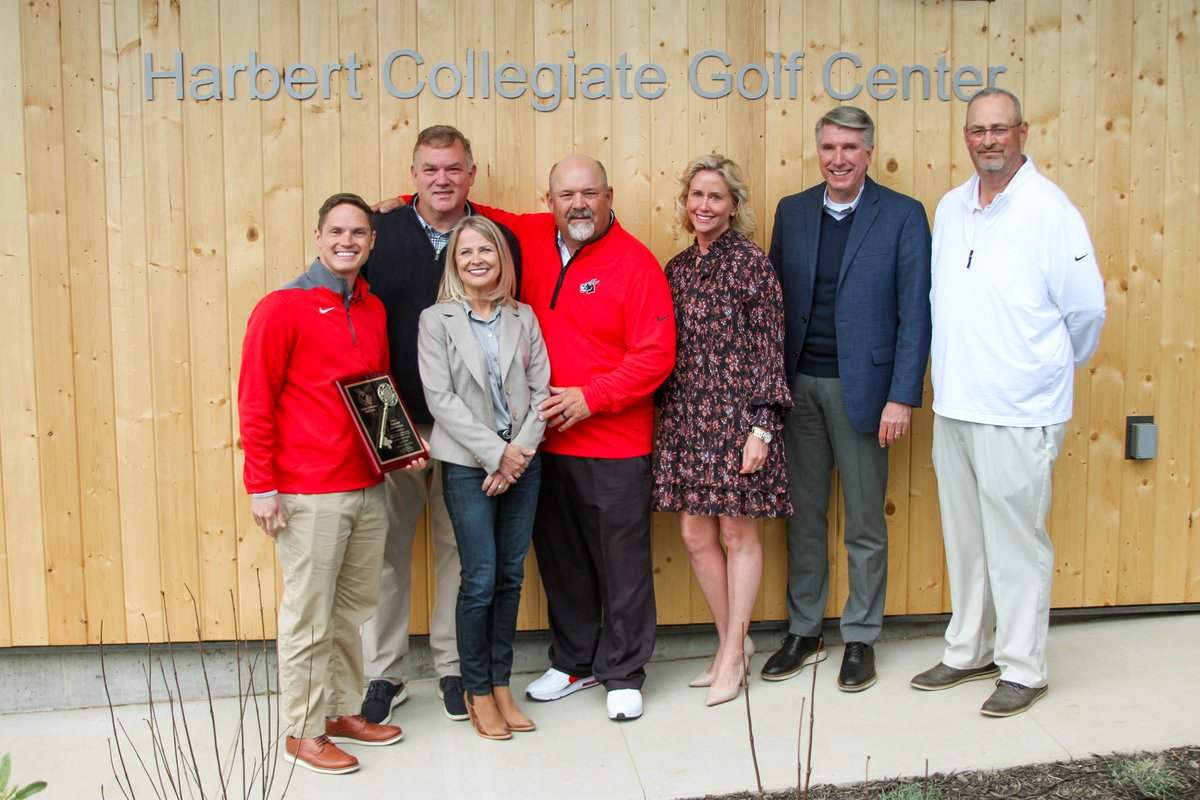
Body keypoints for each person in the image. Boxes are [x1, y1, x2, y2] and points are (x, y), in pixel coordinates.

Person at [455, 156, 676, 722]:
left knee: (620, 565)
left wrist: (591, 396)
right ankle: (575, 660)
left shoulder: (635, 264)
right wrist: (394, 206)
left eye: (589, 193)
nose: (578, 204)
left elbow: (656, 356)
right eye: (566, 194)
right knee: (563, 562)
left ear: (608, 196)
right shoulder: (527, 235)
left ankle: (624, 672)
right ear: (548, 199)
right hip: (544, 444)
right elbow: (467, 208)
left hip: (614, 444)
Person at [911, 88, 1105, 717]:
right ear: (965, 136)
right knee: (966, 539)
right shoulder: (952, 207)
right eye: (977, 130)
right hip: (956, 406)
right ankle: (970, 649)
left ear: (1022, 132)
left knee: (1017, 543)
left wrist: (1039, 369)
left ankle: (1024, 667)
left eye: (999, 128)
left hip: (1020, 410)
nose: (988, 139)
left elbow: (1086, 311)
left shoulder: (1051, 212)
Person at [237, 193, 408, 774]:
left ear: (371, 242)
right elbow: (256, 403)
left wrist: (397, 450)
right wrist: (262, 484)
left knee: (351, 607)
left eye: (359, 232)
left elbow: (374, 389)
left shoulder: (372, 309)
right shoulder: (281, 307)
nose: (348, 241)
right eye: (337, 231)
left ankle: (338, 711)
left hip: (366, 484)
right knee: (309, 614)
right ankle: (302, 731)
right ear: (318, 237)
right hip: (308, 490)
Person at [763, 106, 932, 692]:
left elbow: (916, 314)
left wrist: (901, 396)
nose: (839, 158)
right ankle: (805, 631)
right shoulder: (794, 211)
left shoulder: (904, 216)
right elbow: (775, 307)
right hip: (798, 388)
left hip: (866, 393)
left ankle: (860, 636)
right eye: (830, 147)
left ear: (867, 153)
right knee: (803, 517)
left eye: (850, 149)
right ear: (820, 151)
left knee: (864, 521)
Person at [359, 125, 521, 726]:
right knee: (386, 553)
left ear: (471, 173)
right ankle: (385, 674)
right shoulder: (380, 233)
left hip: (470, 429)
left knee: (462, 551)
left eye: (453, 168)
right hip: (390, 418)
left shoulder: (494, 237)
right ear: (413, 177)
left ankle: (456, 669)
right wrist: (395, 421)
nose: (442, 180)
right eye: (430, 170)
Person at [651, 155, 792, 707]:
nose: (704, 205)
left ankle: (733, 655)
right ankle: (729, 641)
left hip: (737, 419)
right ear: (686, 204)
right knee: (693, 535)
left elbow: (769, 349)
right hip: (688, 416)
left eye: (716, 196)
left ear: (733, 205)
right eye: (697, 196)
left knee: (737, 535)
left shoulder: (752, 264)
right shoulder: (677, 268)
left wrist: (762, 427)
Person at [417, 217, 550, 740]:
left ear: (500, 258)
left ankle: (500, 684)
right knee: (479, 579)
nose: (476, 258)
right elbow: (440, 398)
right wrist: (497, 456)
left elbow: (544, 390)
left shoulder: (524, 316)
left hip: (524, 459)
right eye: (465, 250)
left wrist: (518, 454)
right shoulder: (437, 319)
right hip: (469, 464)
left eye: (485, 250)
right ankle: (475, 690)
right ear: (455, 261)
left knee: (510, 577)